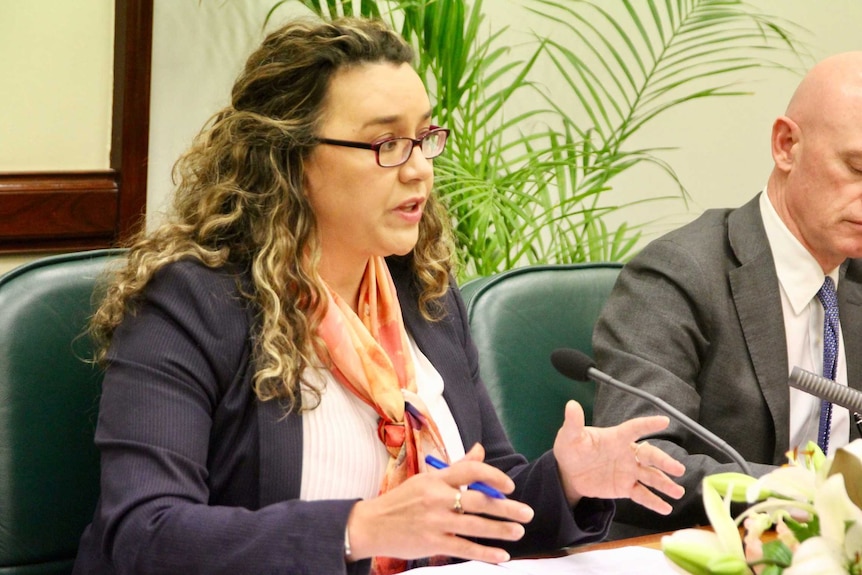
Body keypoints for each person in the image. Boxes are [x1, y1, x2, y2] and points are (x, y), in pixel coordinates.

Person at [71, 16, 685, 575]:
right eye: (387, 144)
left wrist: (569, 482)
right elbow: (144, 536)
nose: (419, 168)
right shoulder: (189, 306)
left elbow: (484, 502)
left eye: (425, 137)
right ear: (291, 160)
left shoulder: (423, 296)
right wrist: (359, 528)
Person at [592, 51, 862, 535]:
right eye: (857, 167)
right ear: (786, 145)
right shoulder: (679, 275)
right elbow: (644, 463)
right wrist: (810, 492)